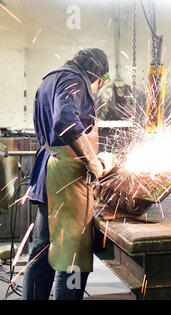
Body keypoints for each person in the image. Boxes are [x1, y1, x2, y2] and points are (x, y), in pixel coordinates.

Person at [23, 48, 113, 300]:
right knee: (72, 256)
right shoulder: (75, 80)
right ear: (98, 75)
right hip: (67, 179)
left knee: (42, 253)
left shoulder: (51, 79)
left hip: (49, 175)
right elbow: (66, 121)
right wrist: (93, 163)